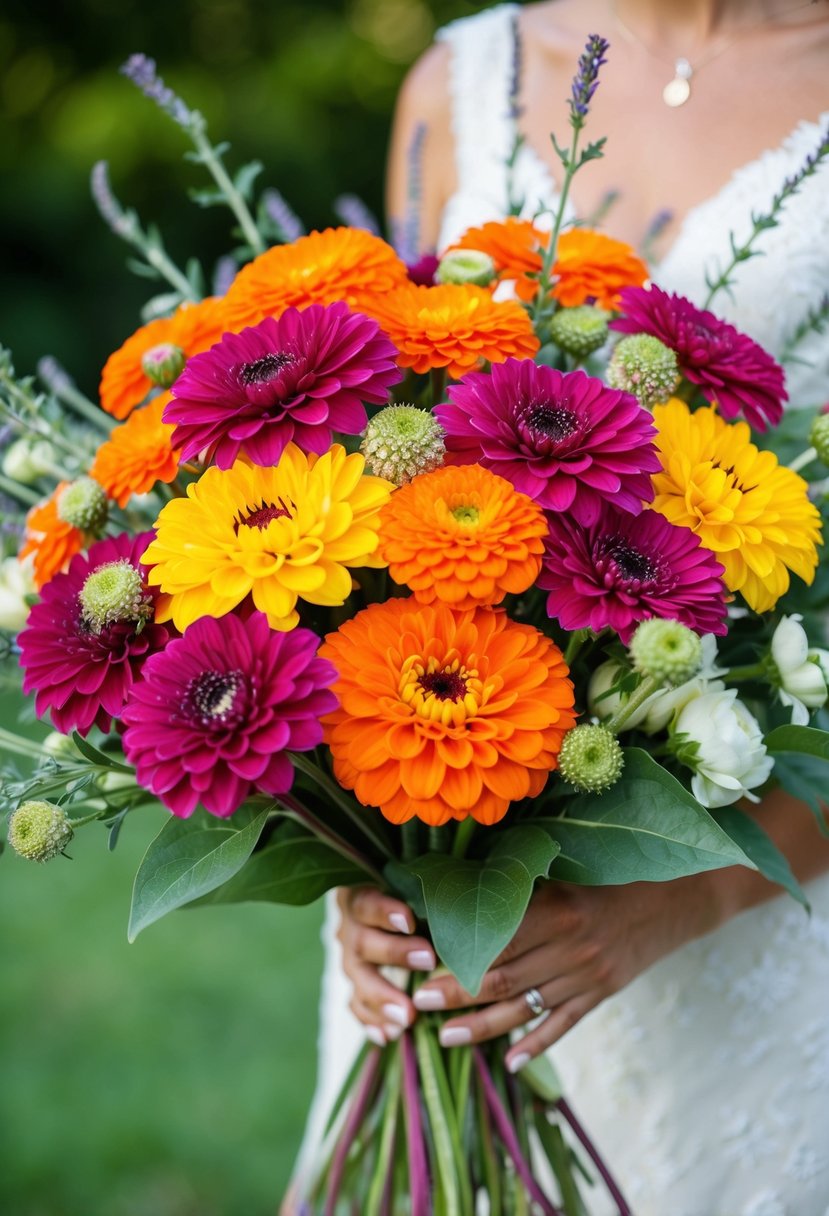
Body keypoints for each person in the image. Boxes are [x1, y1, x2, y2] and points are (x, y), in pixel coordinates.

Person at [288, 2, 829, 1212]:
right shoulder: (457, 80)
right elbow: (376, 487)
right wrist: (349, 868)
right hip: (436, 927)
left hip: (747, 911)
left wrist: (675, 900)